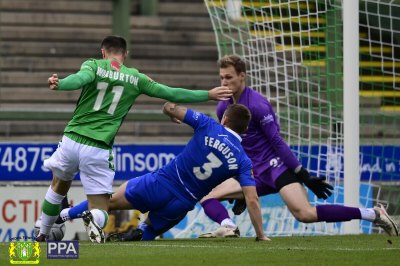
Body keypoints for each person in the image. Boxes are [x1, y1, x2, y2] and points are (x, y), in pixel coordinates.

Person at [35, 35, 234, 243]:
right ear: (125, 54)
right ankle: (92, 217)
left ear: (103, 52)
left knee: (57, 187)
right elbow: (171, 92)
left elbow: (79, 79)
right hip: (98, 147)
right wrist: (208, 94)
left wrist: (61, 84)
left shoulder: (93, 65)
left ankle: (42, 234)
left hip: (71, 139)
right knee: (101, 207)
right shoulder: (136, 78)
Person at [198, 54, 399, 238]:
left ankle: (374, 214)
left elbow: (277, 141)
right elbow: (235, 144)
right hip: (252, 173)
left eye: (229, 77)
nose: (224, 82)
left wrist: (303, 174)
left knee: (305, 214)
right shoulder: (222, 107)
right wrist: (236, 177)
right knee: (207, 195)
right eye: (222, 78)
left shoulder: (258, 105)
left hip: (276, 167)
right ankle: (229, 227)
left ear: (242, 76)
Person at [58, 102, 270, 241]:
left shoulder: (208, 124)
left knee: (108, 201)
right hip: (182, 203)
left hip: (160, 183)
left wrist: (172, 114)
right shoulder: (243, 161)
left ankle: (62, 216)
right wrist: (260, 235)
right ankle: (139, 233)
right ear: (244, 129)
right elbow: (252, 199)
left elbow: (169, 107)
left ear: (225, 119)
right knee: (149, 232)